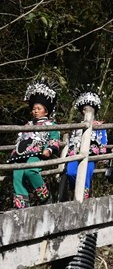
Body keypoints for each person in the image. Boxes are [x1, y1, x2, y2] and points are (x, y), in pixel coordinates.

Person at [8, 78, 61, 209]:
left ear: (46, 111)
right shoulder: (28, 125)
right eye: (33, 108)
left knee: (30, 170)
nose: (35, 111)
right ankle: (21, 205)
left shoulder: (51, 125)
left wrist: (49, 149)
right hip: (21, 155)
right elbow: (20, 140)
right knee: (17, 173)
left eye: (39, 108)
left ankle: (45, 197)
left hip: (36, 153)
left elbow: (54, 139)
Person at [65, 92, 107, 199]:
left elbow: (103, 140)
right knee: (70, 172)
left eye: (89, 109)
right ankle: (76, 189)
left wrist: (102, 153)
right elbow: (72, 141)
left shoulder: (99, 126)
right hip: (75, 154)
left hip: (91, 156)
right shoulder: (77, 125)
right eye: (84, 109)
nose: (86, 111)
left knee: (86, 175)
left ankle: (84, 196)